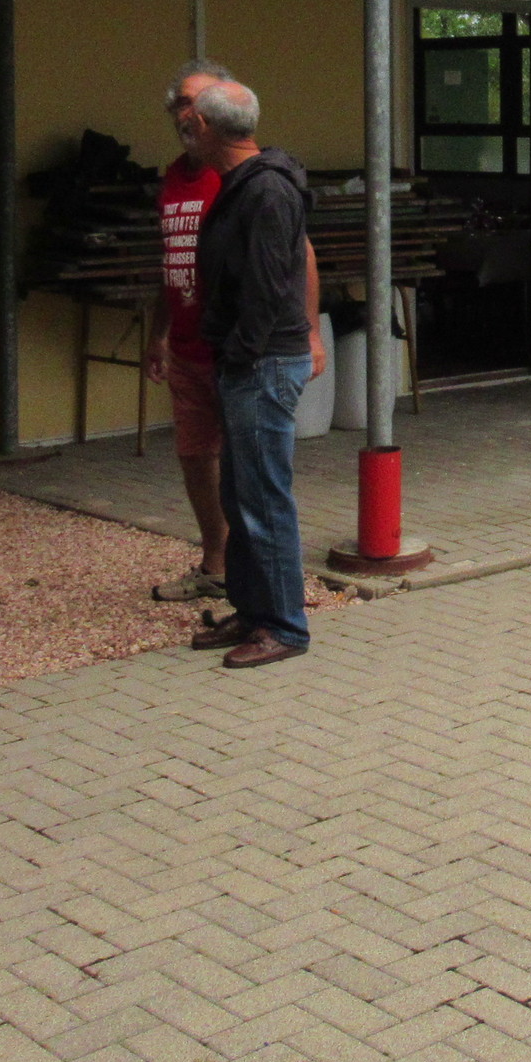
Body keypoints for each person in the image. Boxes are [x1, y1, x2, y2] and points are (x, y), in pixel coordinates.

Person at [185, 74, 328, 669]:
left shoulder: (265, 190)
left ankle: (285, 626)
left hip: (262, 363)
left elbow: (269, 289)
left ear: (204, 126)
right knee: (240, 492)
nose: (183, 127)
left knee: (264, 498)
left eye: (187, 118)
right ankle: (252, 609)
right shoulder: (246, 184)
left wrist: (239, 356)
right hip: (249, 360)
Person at [146, 63, 235, 603]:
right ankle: (215, 565)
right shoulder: (174, 179)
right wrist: (158, 333)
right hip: (184, 348)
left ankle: (258, 579)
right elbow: (171, 263)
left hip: (231, 351)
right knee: (196, 457)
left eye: (198, 102)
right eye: (181, 103)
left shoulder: (239, 176)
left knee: (246, 466)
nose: (188, 113)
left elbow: (299, 257)